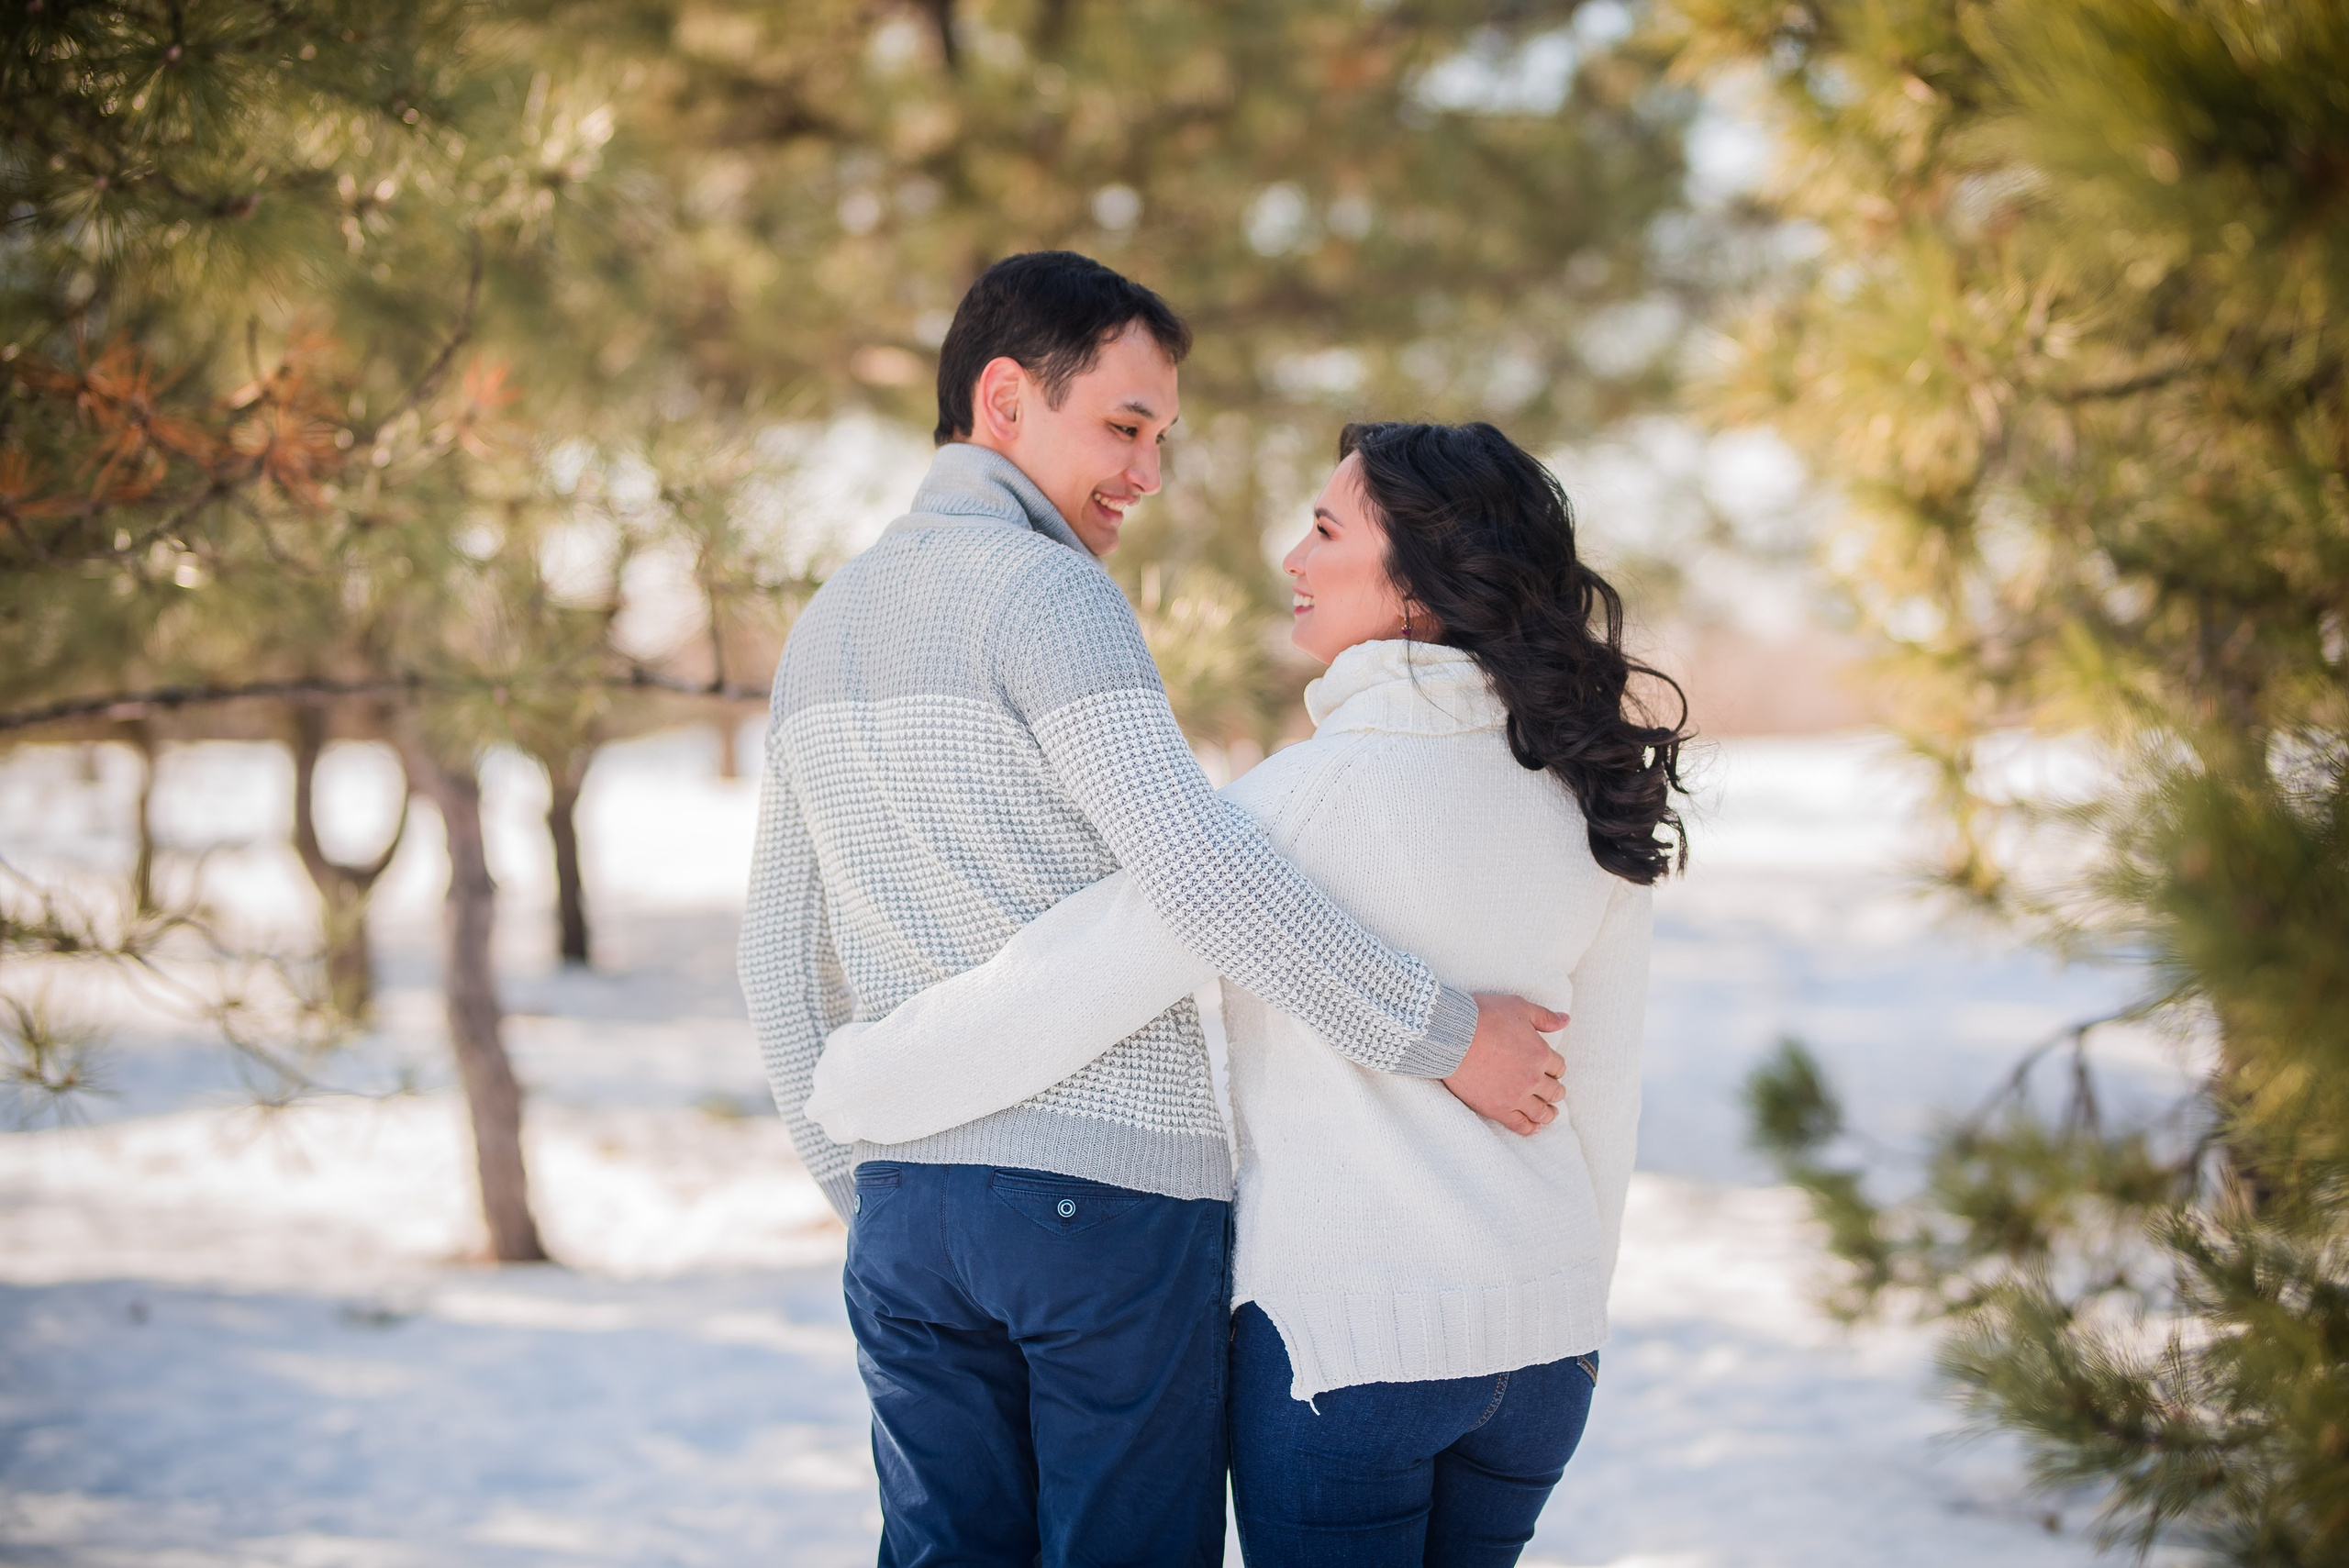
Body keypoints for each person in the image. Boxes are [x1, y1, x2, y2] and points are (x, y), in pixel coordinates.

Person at [739, 253, 1570, 1568]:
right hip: (1105, 1212)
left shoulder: (823, 626)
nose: (1148, 473)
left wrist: (867, 1180)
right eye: (1124, 426)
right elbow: (1200, 873)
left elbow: (779, 962)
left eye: (1161, 436)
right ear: (1004, 401)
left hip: (908, 1213)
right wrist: (1448, 1036)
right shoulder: (1052, 593)